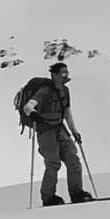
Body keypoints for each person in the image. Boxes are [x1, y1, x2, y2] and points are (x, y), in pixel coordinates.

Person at [16, 60, 89, 205]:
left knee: (73, 161)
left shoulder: (65, 91)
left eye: (66, 72)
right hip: (46, 131)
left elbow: (66, 112)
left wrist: (74, 131)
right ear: (54, 75)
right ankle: (48, 197)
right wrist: (33, 113)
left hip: (60, 129)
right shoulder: (45, 91)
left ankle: (77, 193)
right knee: (53, 163)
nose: (65, 75)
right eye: (63, 73)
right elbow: (28, 106)